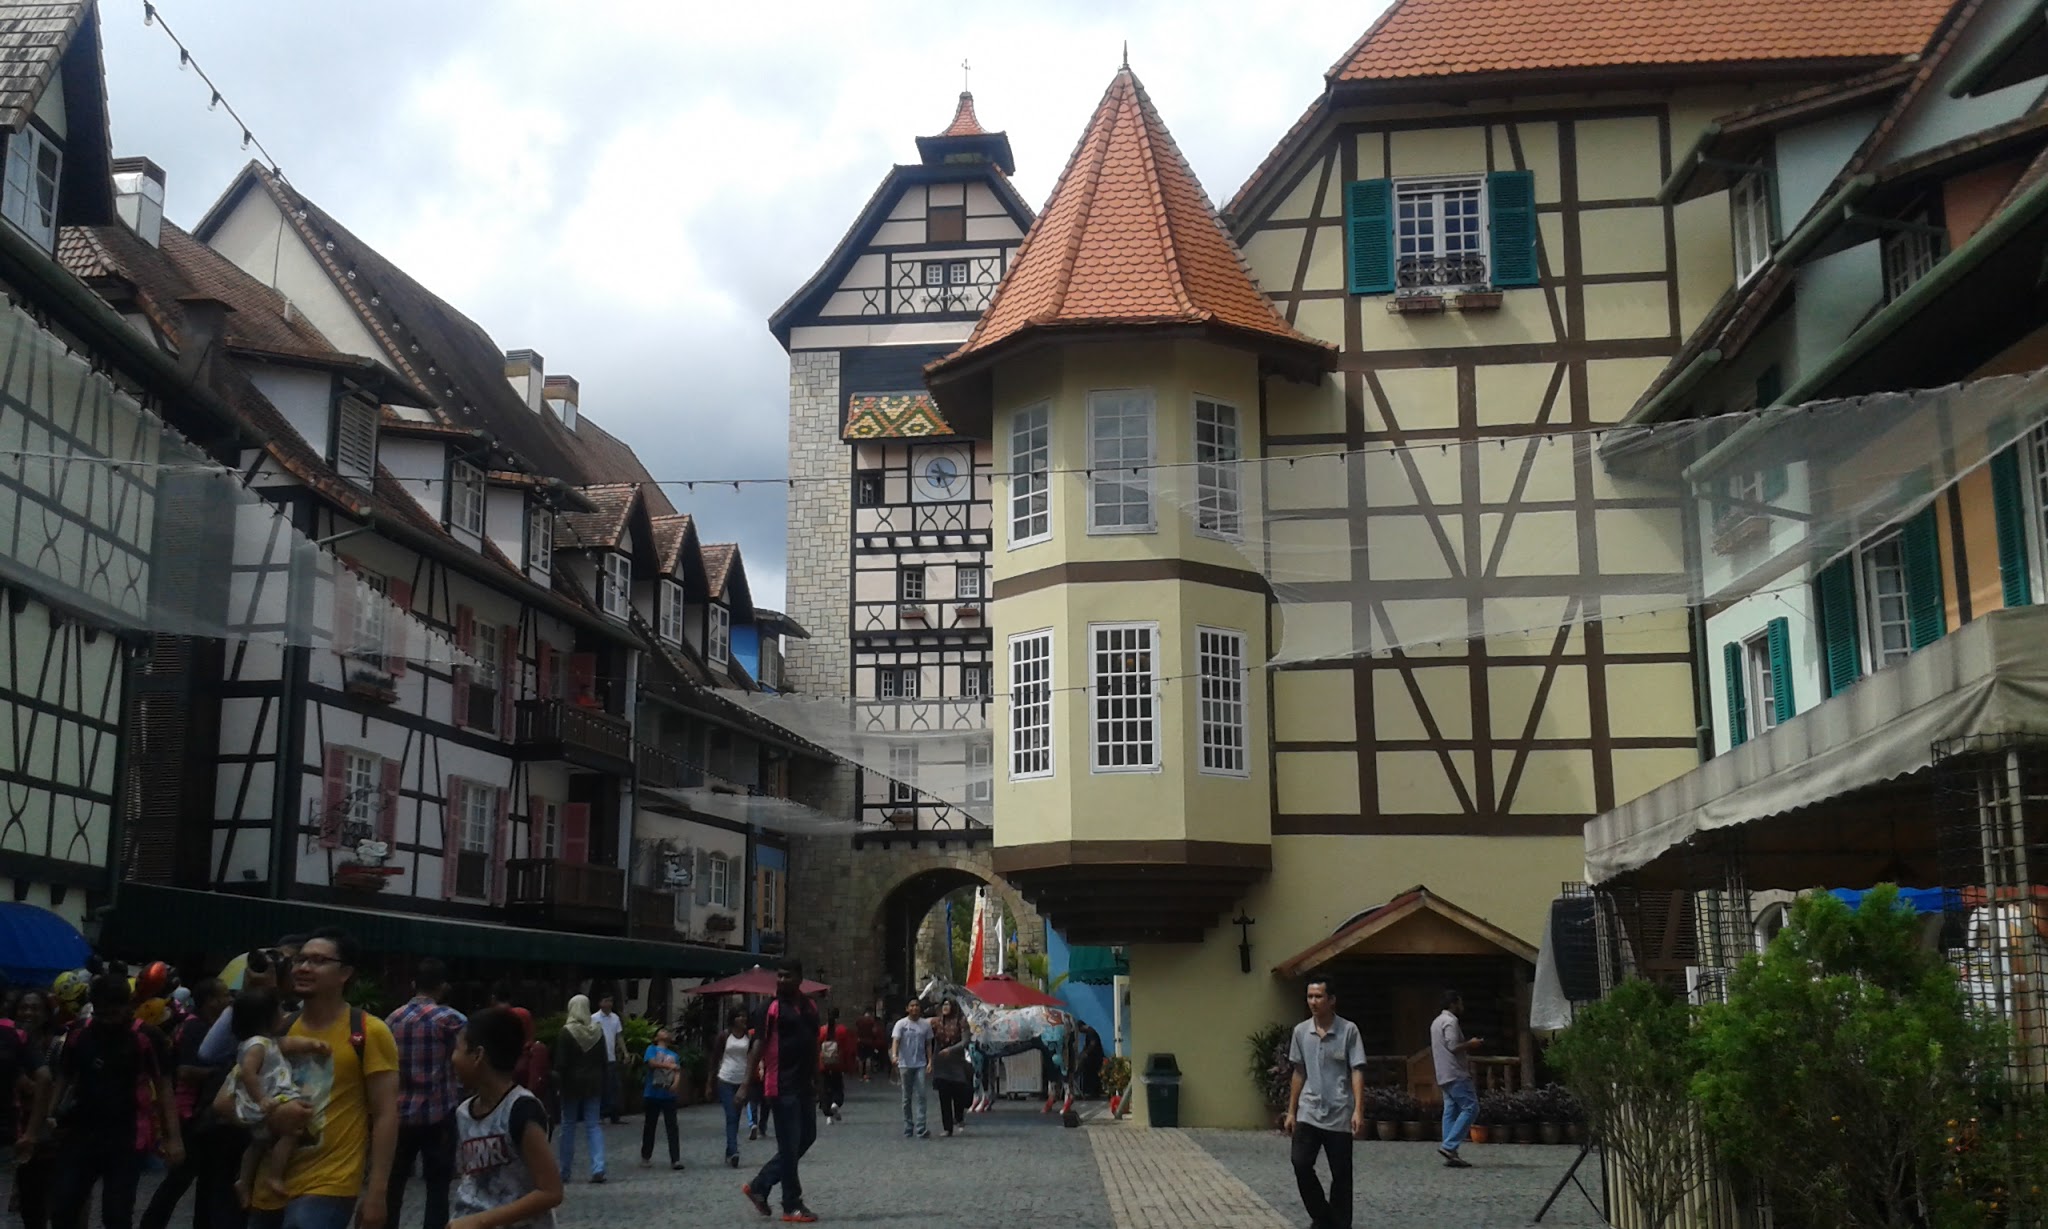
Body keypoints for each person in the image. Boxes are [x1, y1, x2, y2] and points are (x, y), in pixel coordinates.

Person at [244, 926, 400, 1229]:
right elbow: (233, 1096)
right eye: (300, 960)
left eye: (317, 961)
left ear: (345, 974)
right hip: (270, 1183)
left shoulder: (369, 1031)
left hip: (329, 1183)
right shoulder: (280, 1029)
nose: (303, 967)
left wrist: (377, 1193)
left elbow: (386, 1114)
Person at [47, 971, 183, 1229]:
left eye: (112, 1014)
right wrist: (50, 1115)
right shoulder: (79, 1033)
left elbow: (164, 1088)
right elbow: (64, 1077)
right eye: (100, 1013)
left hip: (127, 1134)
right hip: (82, 1128)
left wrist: (173, 1139)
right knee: (64, 1206)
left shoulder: (146, 1037)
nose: (106, 1021)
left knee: (117, 1214)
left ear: (127, 1006)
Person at [447, 1007, 561, 1229]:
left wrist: (480, 1221)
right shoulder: (463, 1113)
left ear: (478, 1055)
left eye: (458, 1049)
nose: (452, 1059)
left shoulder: (521, 1110)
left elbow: (551, 1191)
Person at [141, 978, 236, 1229]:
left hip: (198, 1113)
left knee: (202, 1179)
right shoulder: (196, 1028)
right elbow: (184, 1071)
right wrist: (224, 1071)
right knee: (180, 1180)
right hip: (189, 1112)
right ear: (210, 1001)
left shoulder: (203, 1025)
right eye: (224, 995)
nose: (228, 1000)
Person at [738, 957, 822, 1224]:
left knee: (807, 1136)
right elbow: (757, 1047)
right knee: (788, 1145)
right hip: (780, 1085)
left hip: (804, 1084)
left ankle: (761, 1185)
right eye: (780, 976)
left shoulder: (809, 1006)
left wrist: (819, 1083)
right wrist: (745, 1084)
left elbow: (814, 1045)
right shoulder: (769, 1008)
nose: (782, 981)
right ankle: (791, 1204)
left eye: (788, 976)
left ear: (800, 978)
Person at [385, 959, 467, 1229]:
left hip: (399, 1114)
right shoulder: (452, 1020)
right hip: (438, 1110)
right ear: (443, 987)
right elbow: (464, 1061)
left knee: (393, 1185)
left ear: (413, 984)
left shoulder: (392, 1020)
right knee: (437, 1188)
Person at [1282, 979, 1365, 1229]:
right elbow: (1298, 1072)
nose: (1313, 1002)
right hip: (1309, 1110)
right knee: (1301, 1163)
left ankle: (1340, 1224)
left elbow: (1356, 1070)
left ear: (1331, 1000)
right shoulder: (1300, 1031)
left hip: (1339, 1111)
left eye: (1318, 997)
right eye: (1310, 997)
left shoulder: (1349, 1031)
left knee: (1341, 1175)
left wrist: (1358, 1109)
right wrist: (1291, 1111)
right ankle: (1322, 1215)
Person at [230, 991, 321, 1207]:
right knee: (290, 1133)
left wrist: (313, 1045)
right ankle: (275, 1175)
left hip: (265, 1102)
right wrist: (261, 1099)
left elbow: (291, 1044)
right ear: (266, 1018)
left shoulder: (262, 1042)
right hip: (271, 1100)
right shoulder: (258, 1045)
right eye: (279, 1012)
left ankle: (243, 1181)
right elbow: (248, 1073)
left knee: (257, 1144)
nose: (283, 1016)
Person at [548, 997, 606, 1185]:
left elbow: (561, 1063)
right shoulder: (597, 1031)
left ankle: (564, 1171)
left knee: (568, 1126)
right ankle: (598, 1166)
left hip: (571, 1085)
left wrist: (558, 1086)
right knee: (593, 1125)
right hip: (594, 1084)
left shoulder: (567, 1032)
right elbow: (604, 1060)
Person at [13, 988, 58, 1229]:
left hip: (46, 1134)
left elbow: (54, 1086)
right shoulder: (11, 1041)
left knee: (41, 1202)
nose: (28, 1012)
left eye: (34, 1008)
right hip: (15, 1129)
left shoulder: (56, 1046)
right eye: (23, 1007)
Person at [1432, 991, 1482, 1169]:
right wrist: (1472, 1043)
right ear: (1453, 1004)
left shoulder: (1436, 1022)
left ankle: (1450, 1153)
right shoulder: (1450, 1021)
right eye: (1459, 1003)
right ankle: (1449, 1145)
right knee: (1471, 1107)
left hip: (1443, 1073)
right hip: (1455, 1072)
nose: (1462, 1006)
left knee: (1450, 1110)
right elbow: (1453, 1046)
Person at [709, 1010, 750, 1169]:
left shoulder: (749, 1036)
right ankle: (734, 1151)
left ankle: (729, 1151)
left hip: (741, 1081)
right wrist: (710, 1082)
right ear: (733, 1019)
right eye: (739, 1015)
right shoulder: (724, 1036)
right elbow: (715, 1058)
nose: (742, 1018)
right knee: (731, 1115)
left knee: (736, 1117)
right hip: (725, 1079)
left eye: (744, 1015)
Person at [638, 1028, 682, 1171]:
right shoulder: (651, 1049)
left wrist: (676, 1083)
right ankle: (646, 1156)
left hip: (668, 1095)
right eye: (662, 1031)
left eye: (667, 1031)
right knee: (650, 1126)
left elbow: (677, 1071)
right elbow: (651, 1063)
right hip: (652, 1093)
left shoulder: (674, 1055)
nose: (665, 1033)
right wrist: (669, 1065)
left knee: (672, 1127)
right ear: (656, 1037)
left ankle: (675, 1159)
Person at [928, 999, 973, 1138]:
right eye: (944, 1004)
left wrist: (951, 1050)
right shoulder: (937, 1022)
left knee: (959, 1093)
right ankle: (947, 1128)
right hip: (941, 1062)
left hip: (957, 1061)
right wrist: (931, 1061)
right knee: (944, 1095)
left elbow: (965, 1041)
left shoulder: (961, 1021)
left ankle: (959, 1117)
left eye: (948, 1005)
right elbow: (932, 1040)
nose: (945, 1007)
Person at [889, 997, 932, 1140]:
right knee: (906, 1097)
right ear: (907, 1009)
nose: (914, 1008)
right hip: (905, 1064)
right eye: (912, 1006)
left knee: (922, 1096)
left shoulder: (925, 1025)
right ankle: (908, 1126)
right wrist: (894, 1055)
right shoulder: (901, 1024)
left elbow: (928, 1044)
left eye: (917, 1006)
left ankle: (921, 1128)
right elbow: (896, 1040)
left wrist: (930, 1061)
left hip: (920, 1064)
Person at [816, 1009, 856, 1125]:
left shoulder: (821, 1031)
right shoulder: (843, 1030)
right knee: (837, 1088)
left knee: (824, 1089)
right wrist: (849, 1067)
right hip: (837, 1064)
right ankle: (835, 1104)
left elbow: (816, 1047)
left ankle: (828, 1115)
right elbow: (849, 1049)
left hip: (823, 1064)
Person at [590, 996, 624, 1126]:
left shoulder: (615, 1018)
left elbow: (619, 1036)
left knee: (615, 1086)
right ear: (600, 1003)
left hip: (612, 1057)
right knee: (603, 1087)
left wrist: (624, 1052)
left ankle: (615, 1114)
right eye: (606, 1000)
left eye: (611, 1000)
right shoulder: (594, 1018)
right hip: (599, 1059)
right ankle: (602, 1114)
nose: (609, 1003)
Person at [852, 1009, 883, 1081]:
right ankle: (867, 1076)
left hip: (860, 1041)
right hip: (869, 1041)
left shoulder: (859, 1020)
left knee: (860, 1059)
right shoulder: (871, 1021)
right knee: (868, 1058)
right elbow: (874, 1031)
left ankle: (860, 1076)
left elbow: (856, 1029)